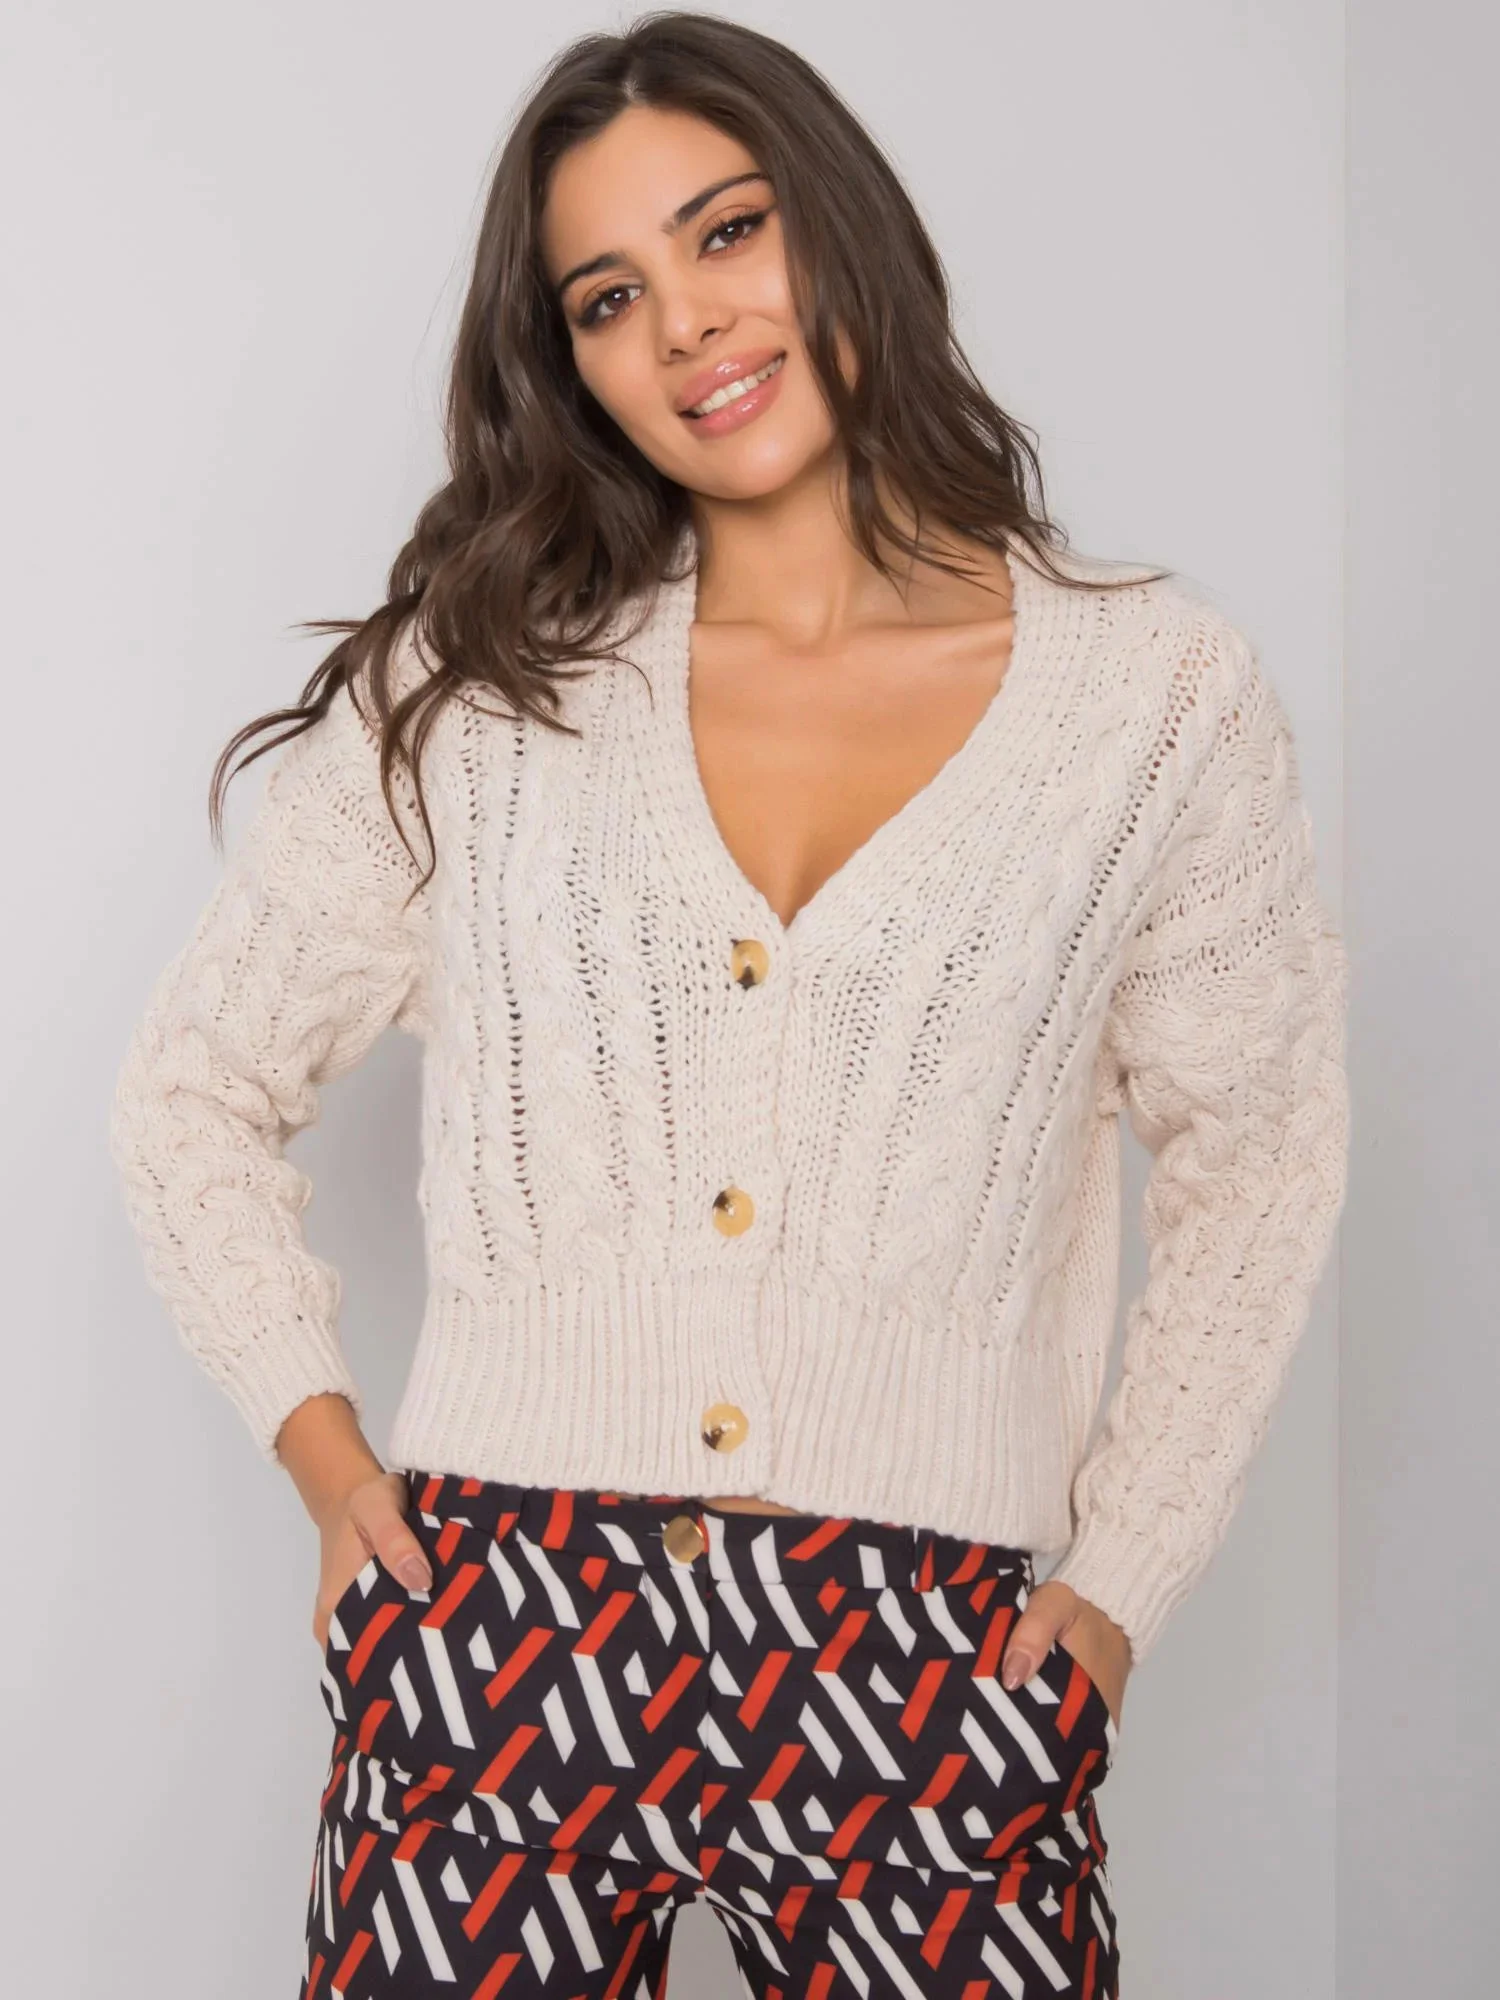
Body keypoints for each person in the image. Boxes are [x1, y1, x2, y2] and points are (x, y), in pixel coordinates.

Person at [108, 14, 1350, 1997]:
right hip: (502, 1630)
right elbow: (196, 1085)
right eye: (609, 297)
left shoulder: (1156, 706)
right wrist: (338, 1480)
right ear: (574, 364)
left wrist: (1119, 1586)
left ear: (838, 223)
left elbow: (1258, 1163)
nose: (687, 322)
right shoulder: (488, 688)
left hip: (930, 1662)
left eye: (728, 230)